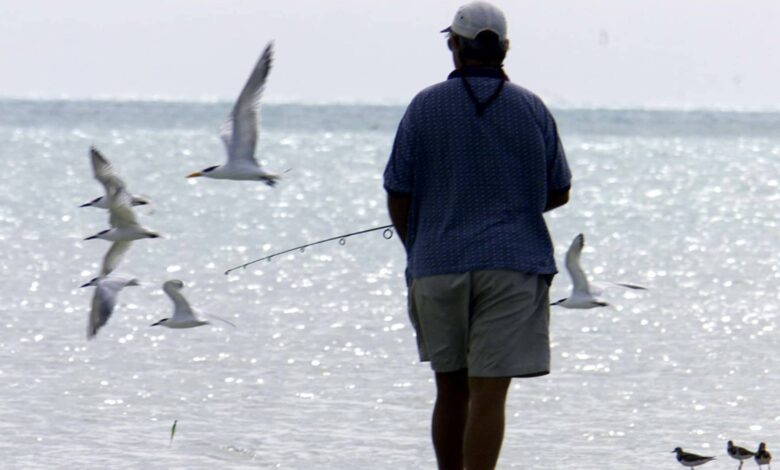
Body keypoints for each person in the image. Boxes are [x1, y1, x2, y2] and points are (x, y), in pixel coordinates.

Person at [382, 2, 571, 469]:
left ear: (455, 47)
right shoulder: (531, 107)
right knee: (489, 394)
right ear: (504, 48)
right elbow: (559, 191)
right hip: (513, 265)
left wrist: (418, 245)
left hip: (435, 266)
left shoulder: (424, 105)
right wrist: (512, 202)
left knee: (450, 389)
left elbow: (398, 189)